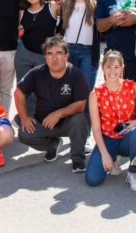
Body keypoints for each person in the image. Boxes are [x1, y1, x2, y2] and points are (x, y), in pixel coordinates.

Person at [14, 36, 90, 174]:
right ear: (45, 57)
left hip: (69, 123)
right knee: (24, 134)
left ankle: (78, 159)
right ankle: (52, 146)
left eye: (59, 53)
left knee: (81, 119)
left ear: (66, 55)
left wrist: (59, 113)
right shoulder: (37, 73)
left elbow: (81, 104)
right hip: (44, 122)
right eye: (49, 54)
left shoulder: (76, 74)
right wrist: (24, 117)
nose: (54, 58)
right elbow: (18, 93)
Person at [84, 51, 136, 190]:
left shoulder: (132, 87)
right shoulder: (95, 94)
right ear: (103, 68)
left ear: (122, 68)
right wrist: (105, 155)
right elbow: (95, 128)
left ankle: (133, 172)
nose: (112, 71)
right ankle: (113, 158)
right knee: (93, 179)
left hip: (129, 137)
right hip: (108, 139)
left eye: (117, 67)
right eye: (109, 66)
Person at [15, 0, 60, 86]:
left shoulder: (53, 7)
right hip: (24, 53)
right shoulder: (22, 12)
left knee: (43, 89)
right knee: (23, 89)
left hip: (44, 55)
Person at [60, 0, 97, 89]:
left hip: (88, 52)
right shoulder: (65, 4)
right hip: (68, 50)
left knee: (86, 89)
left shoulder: (95, 4)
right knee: (68, 90)